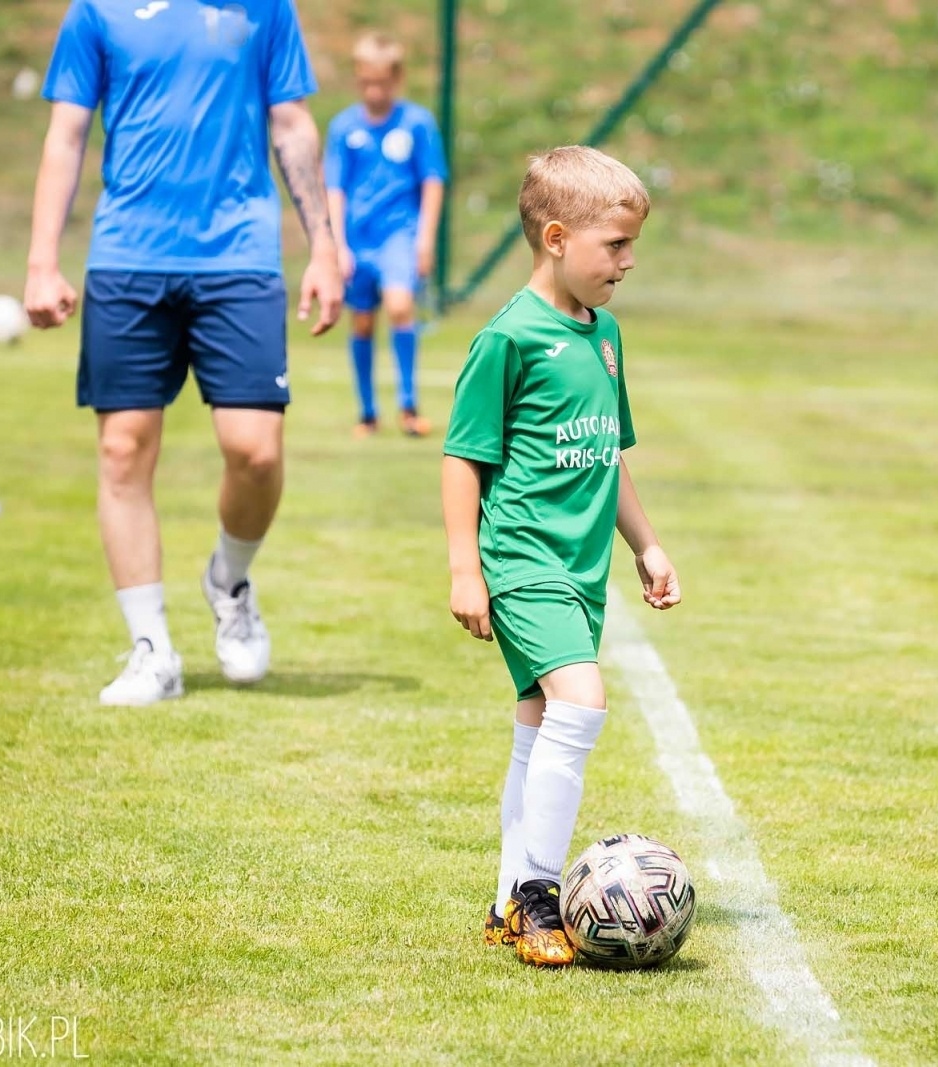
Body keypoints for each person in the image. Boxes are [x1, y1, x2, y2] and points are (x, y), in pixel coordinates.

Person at [24, 0, 343, 706]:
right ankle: (152, 650)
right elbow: (66, 135)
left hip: (240, 255)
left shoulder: (265, 9)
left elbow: (291, 124)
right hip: (128, 256)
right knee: (122, 451)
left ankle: (229, 580)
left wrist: (323, 243)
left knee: (255, 449)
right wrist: (42, 260)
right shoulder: (95, 12)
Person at [442, 146, 682, 967]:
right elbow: (461, 457)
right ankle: (540, 897)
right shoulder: (509, 337)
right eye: (613, 245)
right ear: (554, 237)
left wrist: (645, 545)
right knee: (581, 702)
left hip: (582, 572)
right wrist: (465, 568)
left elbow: (608, 454)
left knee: (540, 724)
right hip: (521, 561)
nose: (627, 261)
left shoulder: (605, 335)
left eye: (630, 245)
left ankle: (507, 898)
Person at [324, 30, 447, 438]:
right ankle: (367, 413)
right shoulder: (344, 128)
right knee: (361, 322)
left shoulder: (417, 123)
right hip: (358, 239)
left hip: (400, 234)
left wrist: (425, 238)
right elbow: (335, 188)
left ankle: (409, 407)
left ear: (397, 79)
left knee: (399, 307)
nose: (373, 90)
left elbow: (432, 181)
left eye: (381, 82)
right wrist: (337, 244)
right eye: (365, 82)